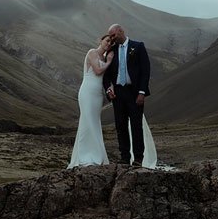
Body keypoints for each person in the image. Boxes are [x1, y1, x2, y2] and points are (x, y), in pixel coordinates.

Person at [103, 23, 157, 168]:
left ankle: (138, 158)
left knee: (136, 125)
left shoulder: (138, 46)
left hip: (134, 93)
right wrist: (108, 89)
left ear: (121, 31)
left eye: (113, 35)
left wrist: (142, 92)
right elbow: (106, 74)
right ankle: (125, 157)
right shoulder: (111, 51)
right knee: (120, 126)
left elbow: (145, 70)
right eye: (110, 36)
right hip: (118, 94)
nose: (112, 38)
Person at [67, 34, 115, 167]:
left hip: (98, 94)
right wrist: (109, 62)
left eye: (111, 43)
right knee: (86, 121)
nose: (108, 44)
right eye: (107, 40)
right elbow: (98, 71)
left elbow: (106, 77)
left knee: (94, 122)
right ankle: (85, 156)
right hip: (87, 92)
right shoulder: (92, 52)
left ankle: (96, 153)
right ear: (101, 40)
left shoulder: (104, 57)